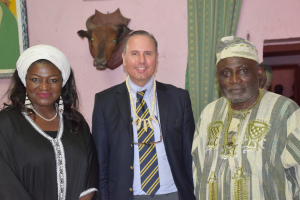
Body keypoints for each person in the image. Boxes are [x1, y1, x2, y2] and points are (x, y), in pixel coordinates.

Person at [192, 36, 300, 200]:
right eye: (226, 73)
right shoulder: (208, 114)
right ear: (217, 77)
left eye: (243, 71)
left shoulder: (285, 111)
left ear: (259, 74)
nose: (234, 80)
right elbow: (198, 172)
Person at [92, 30, 196, 200]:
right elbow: (101, 162)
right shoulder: (105, 102)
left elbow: (189, 155)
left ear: (156, 58)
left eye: (148, 53)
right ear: (124, 58)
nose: (141, 60)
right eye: (135, 54)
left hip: (173, 193)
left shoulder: (179, 98)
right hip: (127, 196)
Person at [0, 45, 99, 200]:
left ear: (63, 82)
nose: (44, 87)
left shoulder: (76, 123)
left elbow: (90, 175)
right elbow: (6, 183)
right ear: (25, 82)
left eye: (53, 80)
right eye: (35, 79)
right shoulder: (6, 124)